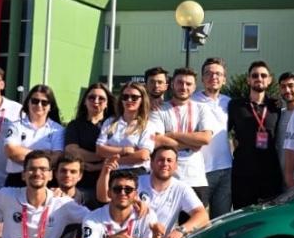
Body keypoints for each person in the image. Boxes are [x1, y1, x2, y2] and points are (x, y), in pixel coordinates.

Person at [228, 61, 285, 207]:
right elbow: (223, 133)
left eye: (263, 75)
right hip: (243, 174)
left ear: (269, 80)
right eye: (255, 75)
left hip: (270, 175)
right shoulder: (235, 105)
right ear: (248, 80)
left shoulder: (276, 106)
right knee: (242, 217)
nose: (259, 78)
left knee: (269, 217)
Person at [153, 67, 213, 200]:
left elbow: (205, 138)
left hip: (196, 179)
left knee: (198, 214)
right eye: (180, 82)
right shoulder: (159, 109)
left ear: (194, 87)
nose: (184, 87)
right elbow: (157, 141)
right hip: (168, 179)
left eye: (188, 84)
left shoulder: (202, 108)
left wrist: (171, 135)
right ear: (172, 84)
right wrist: (192, 143)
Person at [2, 84, 65, 186]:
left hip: (44, 181)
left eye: (44, 102)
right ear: (28, 103)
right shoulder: (16, 126)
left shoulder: (58, 130)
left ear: (50, 106)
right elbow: (11, 151)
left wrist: (23, 152)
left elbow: (56, 158)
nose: (39, 105)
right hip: (16, 180)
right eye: (35, 101)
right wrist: (44, 154)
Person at [194, 58, 234, 216]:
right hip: (199, 172)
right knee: (197, 221)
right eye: (208, 73)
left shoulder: (229, 103)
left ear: (224, 79)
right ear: (202, 78)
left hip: (226, 170)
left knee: (221, 220)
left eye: (218, 74)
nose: (214, 77)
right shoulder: (191, 101)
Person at [97, 82, 160, 174]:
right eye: (125, 97)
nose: (129, 100)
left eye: (134, 97)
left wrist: (112, 160)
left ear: (142, 100)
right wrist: (125, 150)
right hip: (111, 173)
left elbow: (143, 155)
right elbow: (99, 150)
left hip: (136, 173)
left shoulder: (148, 125)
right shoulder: (110, 122)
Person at [64, 83, 113, 193]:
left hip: (109, 183)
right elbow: (72, 151)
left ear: (107, 103)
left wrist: (98, 164)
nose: (96, 101)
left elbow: (120, 154)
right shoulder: (75, 125)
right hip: (82, 183)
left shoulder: (115, 125)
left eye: (101, 98)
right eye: (91, 97)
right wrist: (104, 155)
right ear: (85, 101)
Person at [275, 71, 294, 164]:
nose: (287, 90)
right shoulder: (279, 115)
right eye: (283, 87)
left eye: (291, 86)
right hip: (281, 171)